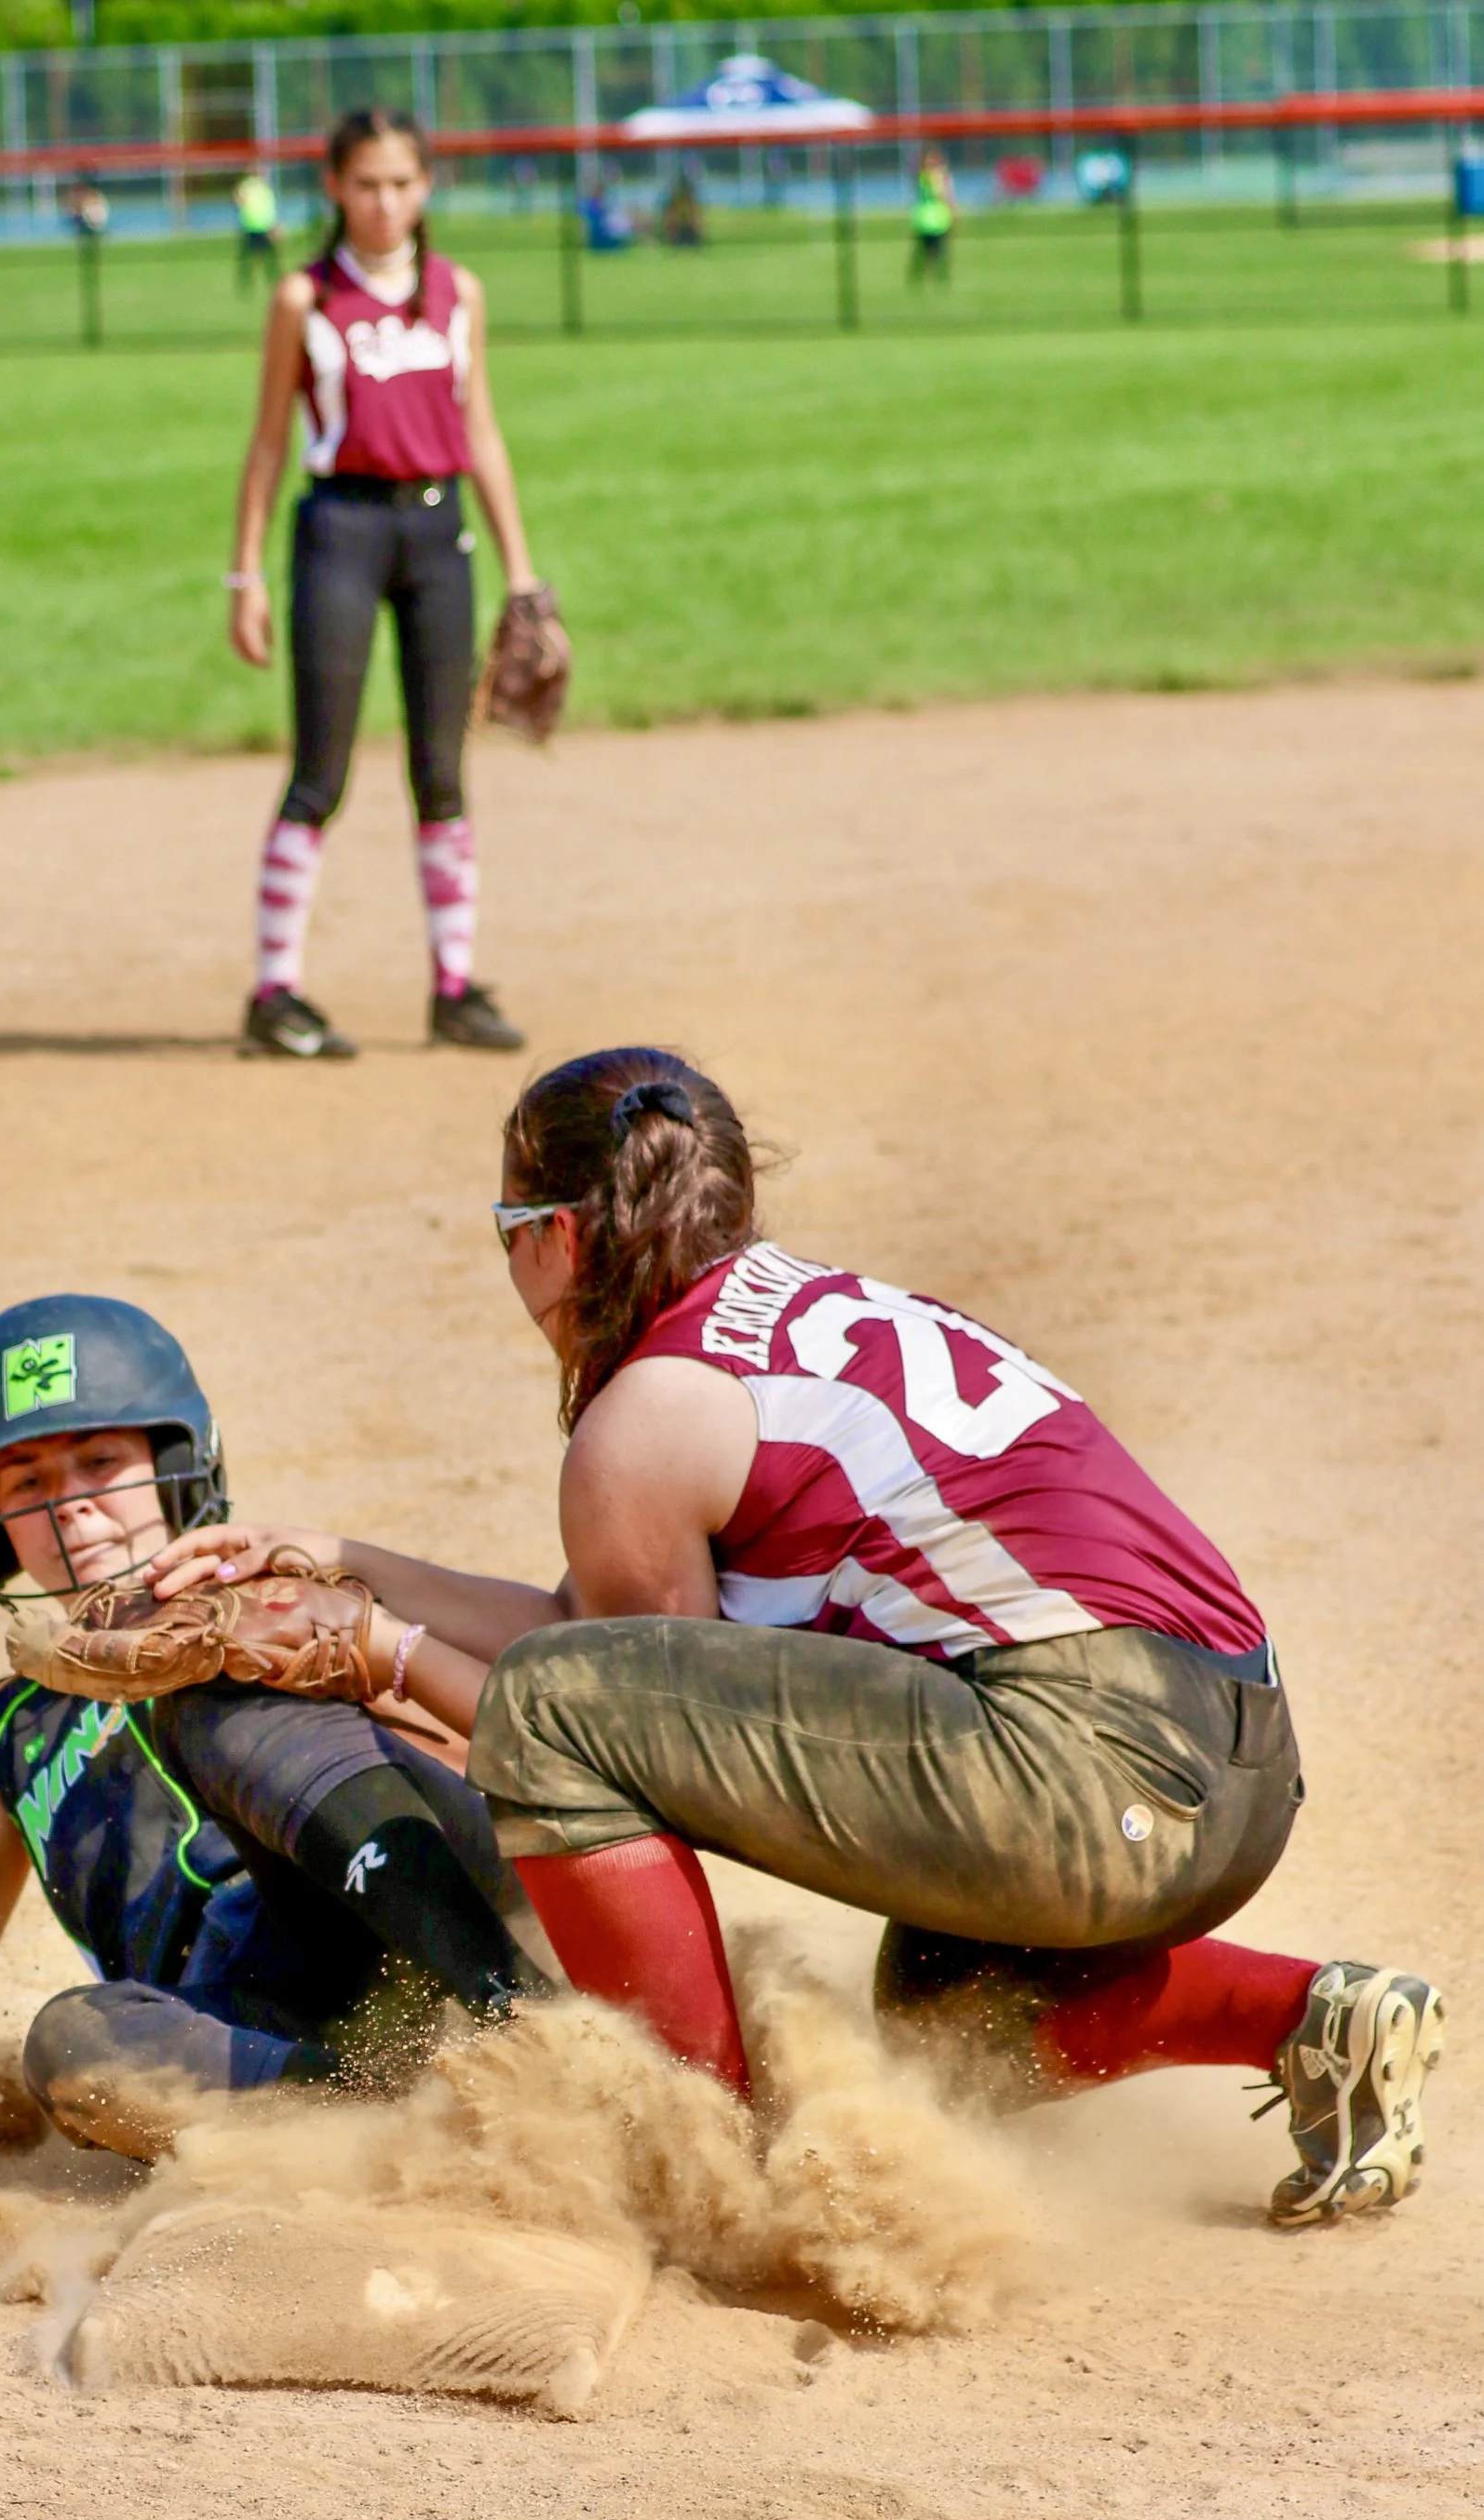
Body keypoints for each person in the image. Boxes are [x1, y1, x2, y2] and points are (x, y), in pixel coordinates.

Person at [148, 1051, 1444, 2230]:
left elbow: (608, 1715)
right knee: (946, 2015)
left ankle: (700, 2162)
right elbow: (612, 1658)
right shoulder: (790, 1323)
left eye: (505, 1232)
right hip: (1229, 1763)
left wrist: (372, 1650)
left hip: (1086, 1755)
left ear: (553, 1239)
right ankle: (1313, 2018)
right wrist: (350, 1558)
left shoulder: (648, 1410)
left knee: (551, 1709)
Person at [0, 1292, 534, 2165]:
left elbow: (498, 1764)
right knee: (75, 2044)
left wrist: (318, 1660)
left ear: (177, 1463)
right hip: (266, 2013)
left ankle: (531, 2035)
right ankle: (391, 2121)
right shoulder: (3, 1732)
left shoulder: (280, 1591)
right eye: (28, 1482)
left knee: (208, 1692)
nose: (70, 1506)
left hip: (419, 1921)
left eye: (99, 1461)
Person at [227, 102, 546, 1065]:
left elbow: (479, 432)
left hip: (435, 529)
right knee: (320, 770)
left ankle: (452, 986)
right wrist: (244, 574)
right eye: (364, 183)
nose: (383, 202)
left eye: (401, 183)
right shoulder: (304, 299)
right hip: (341, 528)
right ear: (332, 187)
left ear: (426, 188)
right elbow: (269, 442)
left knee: (441, 770)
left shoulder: (456, 293)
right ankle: (273, 992)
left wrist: (520, 570)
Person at [910, 148, 955, 286]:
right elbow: (942, 194)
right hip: (930, 219)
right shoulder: (929, 177)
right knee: (931, 250)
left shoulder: (929, 177)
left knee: (936, 250)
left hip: (936, 218)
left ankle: (934, 277)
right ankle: (931, 277)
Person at [233, 163, 281, 290]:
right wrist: (274, 226)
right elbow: (270, 209)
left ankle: (245, 283)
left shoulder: (247, 186)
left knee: (249, 259)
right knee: (268, 259)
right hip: (261, 227)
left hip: (253, 227)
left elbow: (238, 201)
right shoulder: (264, 187)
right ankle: (273, 282)